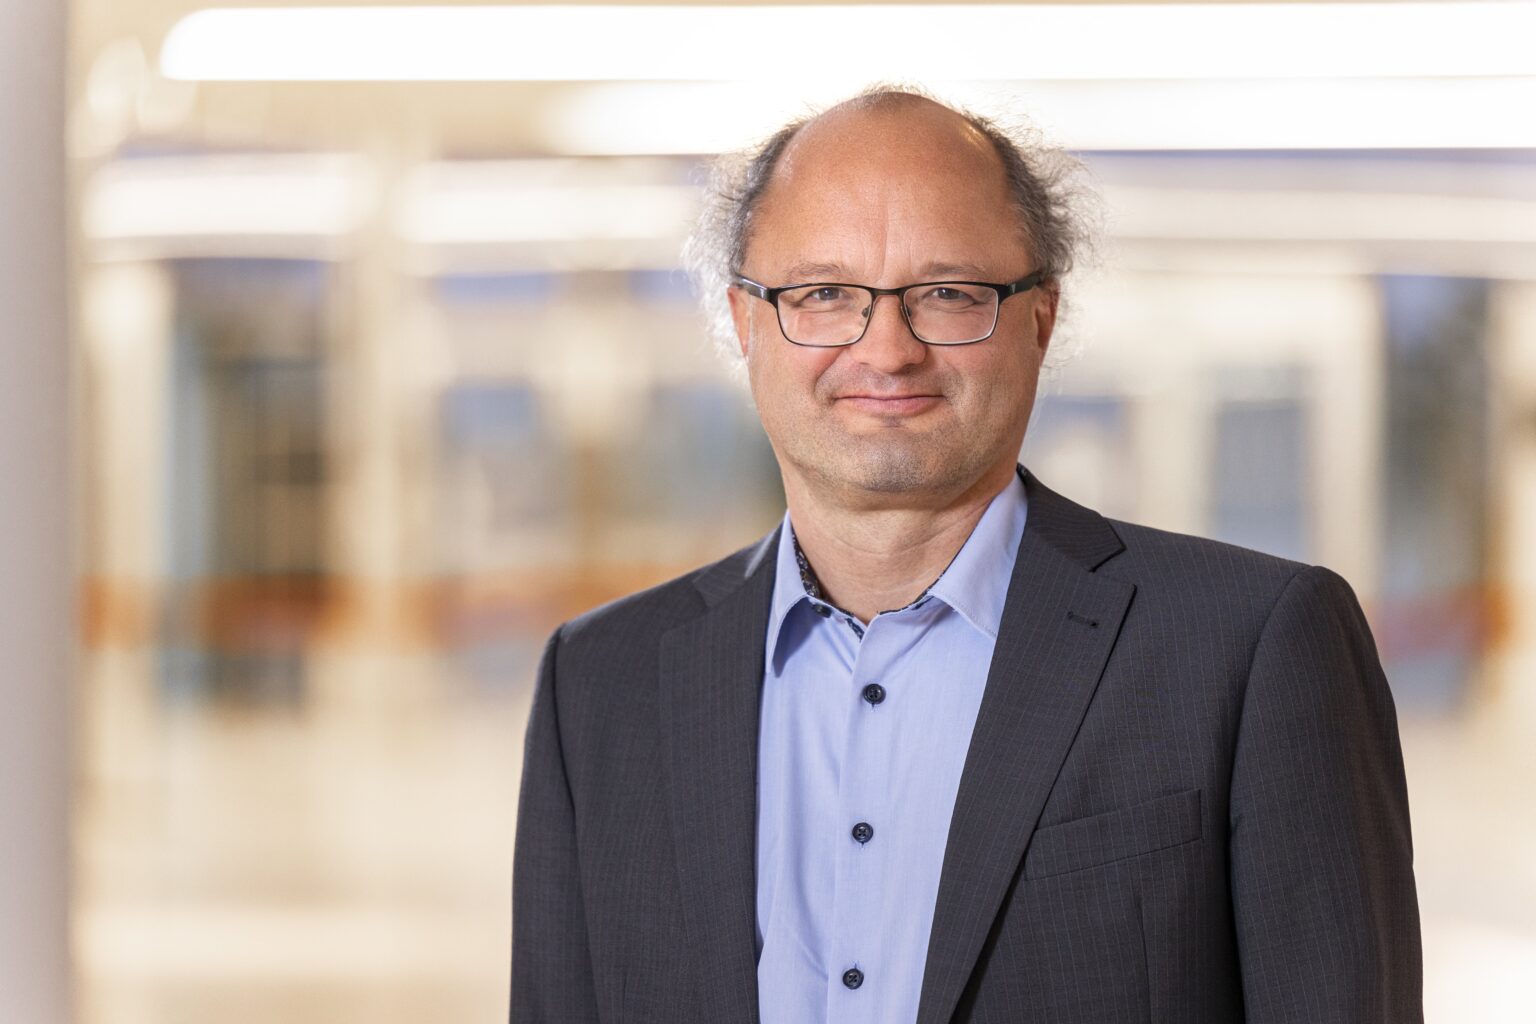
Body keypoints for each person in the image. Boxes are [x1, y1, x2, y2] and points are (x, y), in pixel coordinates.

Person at [510, 86, 1422, 1024]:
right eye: (824, 293)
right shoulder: (600, 684)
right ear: (746, 324)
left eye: (947, 293)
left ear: (1039, 318)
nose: (887, 348)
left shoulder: (1252, 649)